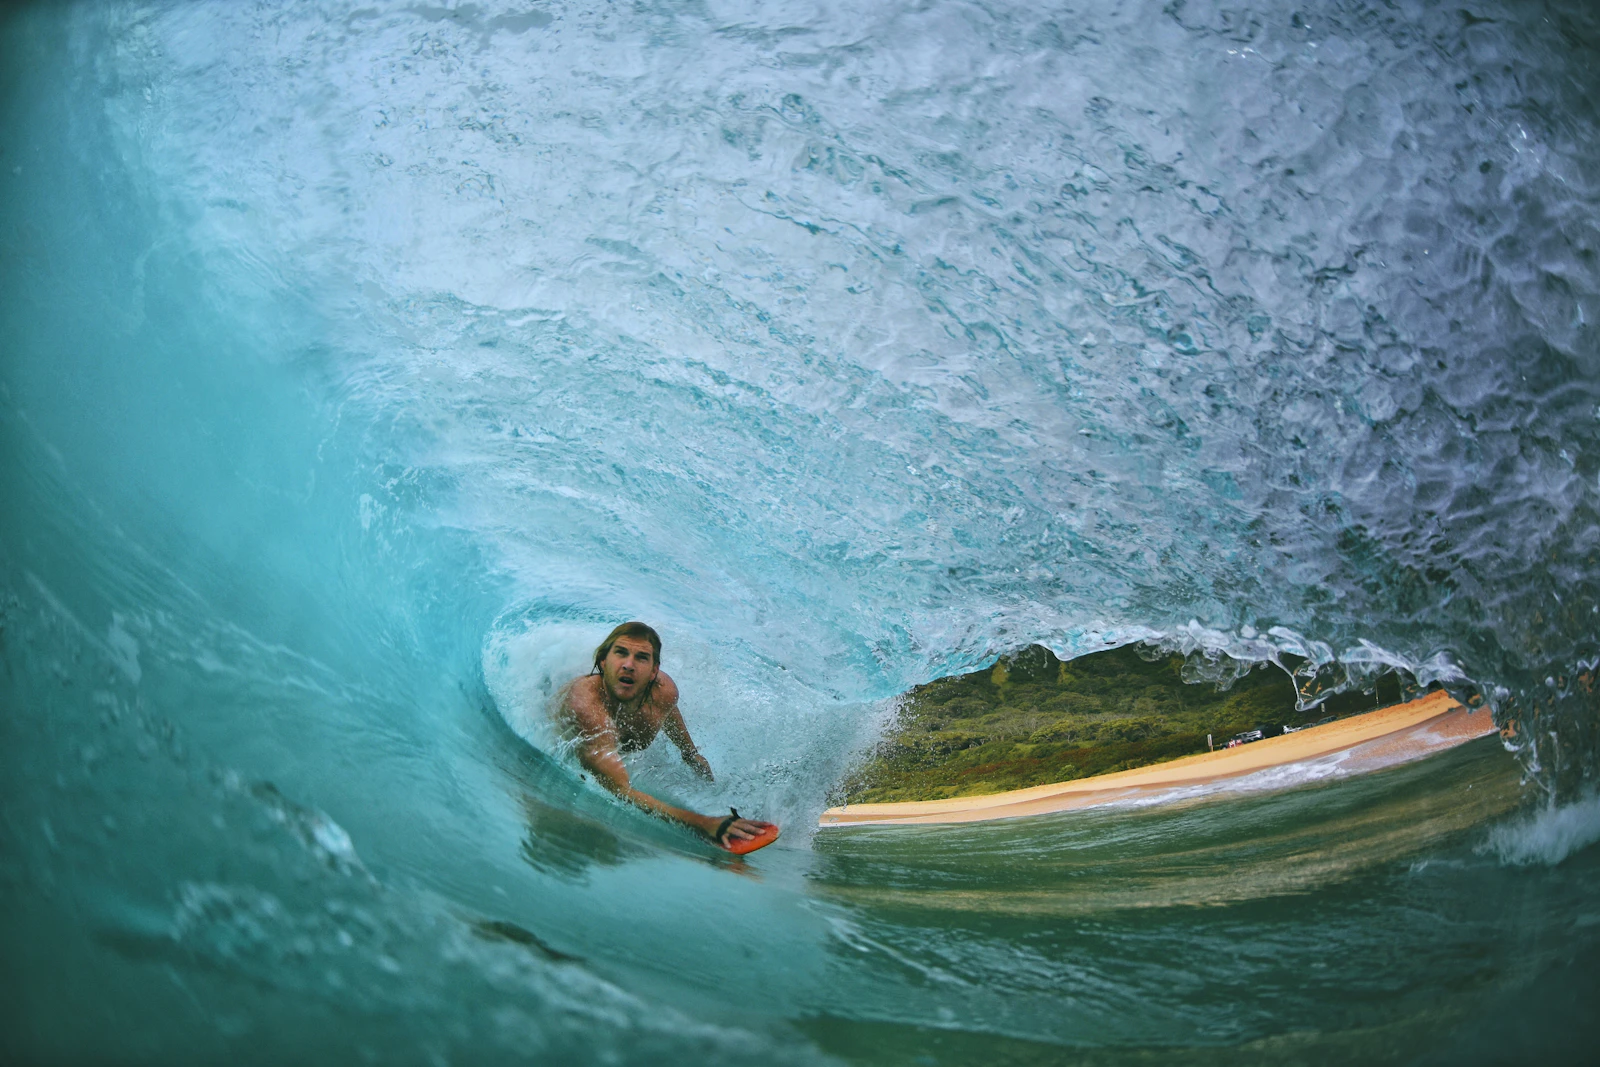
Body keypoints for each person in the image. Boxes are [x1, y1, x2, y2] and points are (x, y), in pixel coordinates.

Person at [556, 621, 772, 850]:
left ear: (653, 672)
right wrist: (705, 824)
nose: (629, 665)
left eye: (641, 657)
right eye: (621, 653)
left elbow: (668, 712)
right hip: (574, 746)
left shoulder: (663, 691)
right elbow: (620, 790)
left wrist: (690, 754)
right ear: (603, 661)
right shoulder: (587, 706)